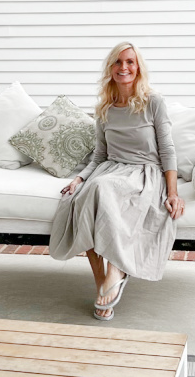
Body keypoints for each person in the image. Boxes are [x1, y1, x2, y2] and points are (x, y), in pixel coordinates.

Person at [49, 41, 184, 320]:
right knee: (83, 197)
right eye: (118, 62)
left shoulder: (153, 103)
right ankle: (102, 280)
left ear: (138, 67)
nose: (124, 67)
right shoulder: (105, 109)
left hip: (144, 173)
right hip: (109, 169)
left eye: (130, 62)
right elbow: (99, 155)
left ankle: (116, 269)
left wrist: (173, 193)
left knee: (99, 188)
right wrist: (78, 178)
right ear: (110, 69)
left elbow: (168, 150)